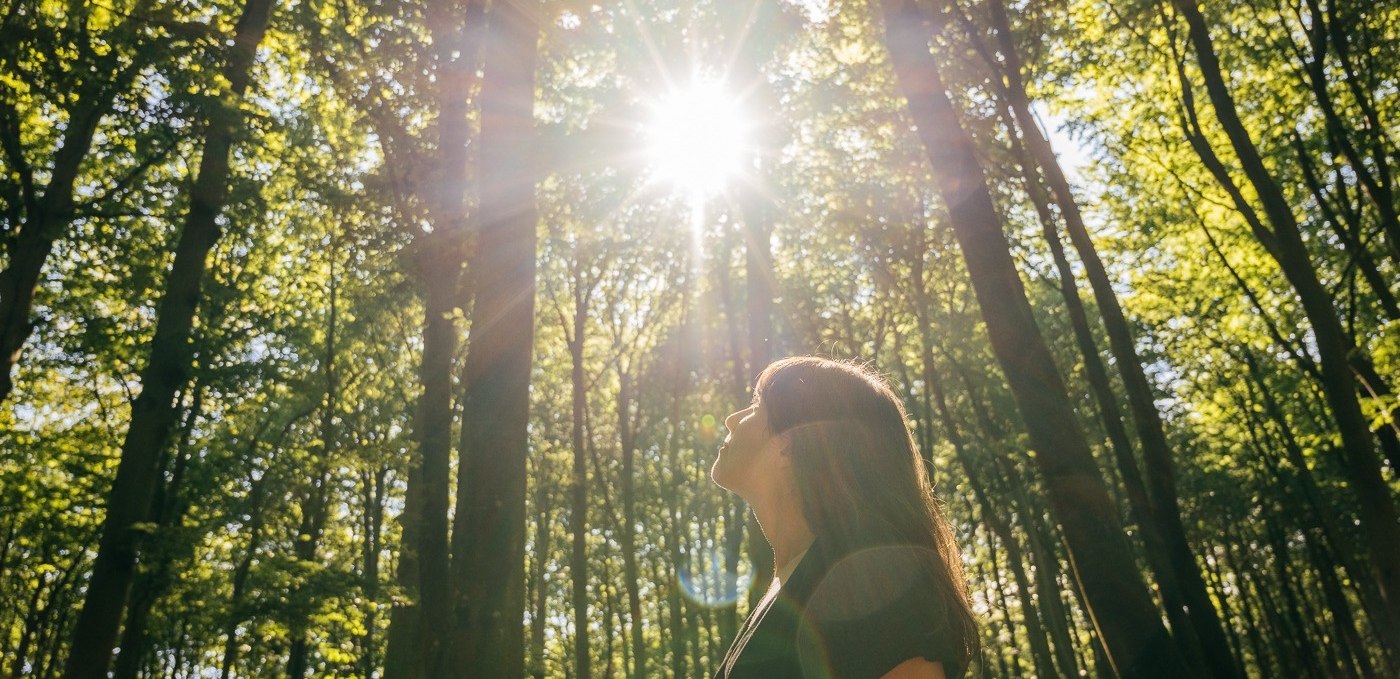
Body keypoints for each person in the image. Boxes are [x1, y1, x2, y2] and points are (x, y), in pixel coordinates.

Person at [711, 356, 979, 679]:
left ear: (788, 444)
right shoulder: (794, 584)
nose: (730, 419)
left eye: (756, 404)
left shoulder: (873, 583)